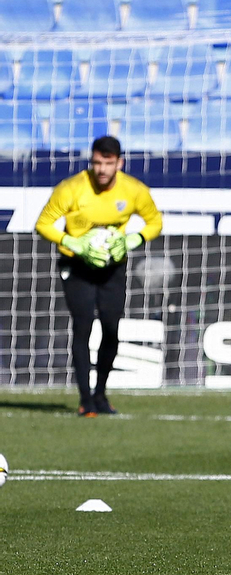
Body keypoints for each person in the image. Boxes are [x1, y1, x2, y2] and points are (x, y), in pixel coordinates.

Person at [34, 136, 163, 417]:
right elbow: (43, 224)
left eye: (108, 163)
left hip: (112, 267)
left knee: (111, 328)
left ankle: (101, 394)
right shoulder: (72, 188)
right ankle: (85, 400)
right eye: (97, 163)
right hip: (76, 266)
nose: (102, 169)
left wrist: (134, 239)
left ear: (119, 163)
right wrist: (73, 242)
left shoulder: (134, 190)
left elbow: (155, 222)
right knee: (83, 326)